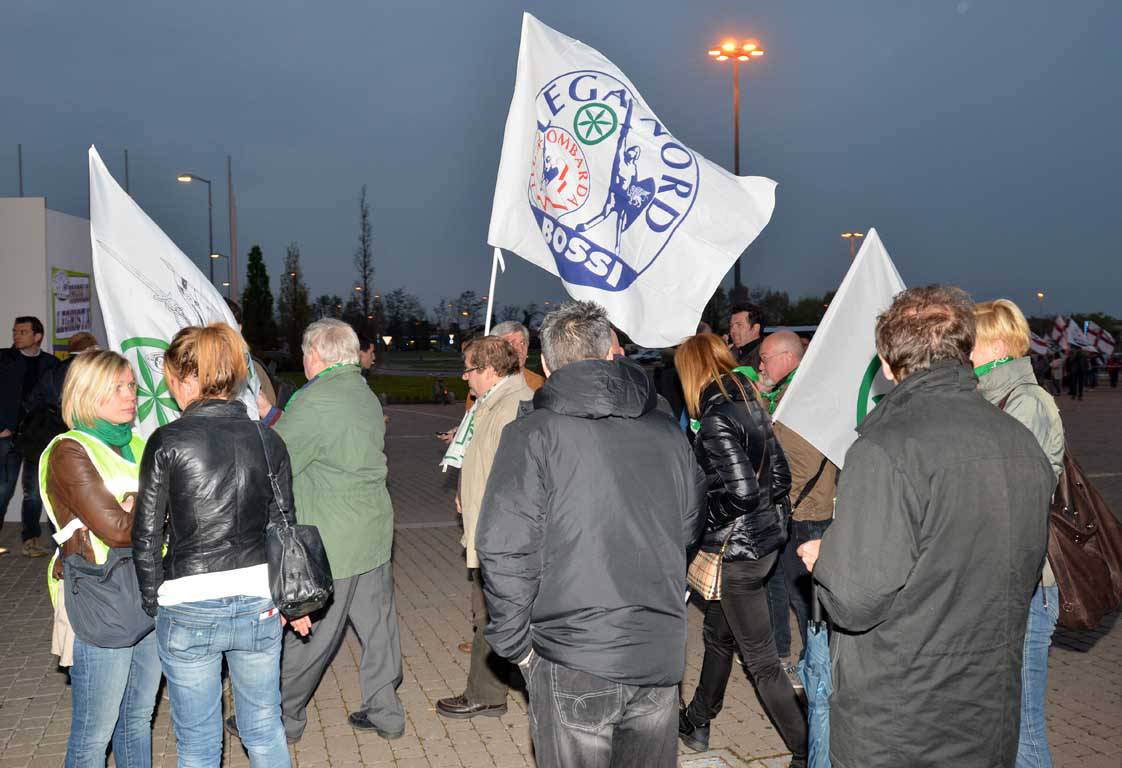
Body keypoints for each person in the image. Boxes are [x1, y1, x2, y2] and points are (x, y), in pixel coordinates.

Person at [798, 285, 1055, 768]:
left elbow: (855, 601)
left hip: (902, 720)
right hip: (986, 713)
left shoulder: (887, 449)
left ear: (888, 362)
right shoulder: (1021, 442)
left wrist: (828, 560)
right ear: (963, 349)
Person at [475, 301, 706, 768]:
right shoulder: (665, 430)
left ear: (545, 364)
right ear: (610, 354)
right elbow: (689, 528)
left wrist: (517, 647)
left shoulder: (532, 435)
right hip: (655, 654)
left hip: (572, 657)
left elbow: (502, 548)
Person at [132, 323, 303, 767]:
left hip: (188, 601)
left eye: (169, 375)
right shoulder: (268, 439)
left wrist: (155, 600)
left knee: (198, 744)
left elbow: (147, 534)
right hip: (259, 599)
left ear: (186, 377)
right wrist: (288, 600)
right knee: (264, 729)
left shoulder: (166, 441)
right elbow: (284, 525)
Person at [257, 319, 405, 742]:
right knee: (378, 628)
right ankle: (386, 711)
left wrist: (265, 421)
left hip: (332, 542)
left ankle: (282, 720)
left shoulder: (316, 399)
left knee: (312, 632)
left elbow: (278, 463)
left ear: (316, 355)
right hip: (373, 533)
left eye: (305, 352)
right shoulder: (363, 392)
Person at [675, 333, 807, 766]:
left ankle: (807, 749)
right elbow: (782, 478)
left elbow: (742, 492)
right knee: (717, 636)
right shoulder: (750, 403)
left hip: (737, 554)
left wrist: (703, 518)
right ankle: (697, 719)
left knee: (763, 663)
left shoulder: (715, 416)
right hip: (763, 543)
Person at [40, 349, 161, 767]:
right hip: (100, 599)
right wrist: (148, 505)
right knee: (95, 734)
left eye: (131, 386)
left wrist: (134, 503)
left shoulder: (140, 443)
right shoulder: (69, 452)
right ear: (88, 394)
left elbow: (174, 510)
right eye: (118, 388)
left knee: (137, 720)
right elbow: (117, 529)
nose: (131, 396)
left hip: (149, 591)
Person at [972, 299, 1064, 768]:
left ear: (1000, 345)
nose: (964, 351)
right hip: (1007, 584)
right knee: (1001, 725)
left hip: (1027, 586)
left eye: (974, 341)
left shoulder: (1026, 402)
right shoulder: (995, 401)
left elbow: (1008, 498)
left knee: (1023, 730)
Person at [437, 336, 533, 720]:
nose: (464, 377)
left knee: (498, 618)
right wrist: (465, 491)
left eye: (469, 369)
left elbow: (511, 479)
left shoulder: (511, 406)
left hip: (502, 538)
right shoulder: (489, 404)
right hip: (489, 530)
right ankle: (490, 693)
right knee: (491, 616)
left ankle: (489, 693)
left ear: (490, 371)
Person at [758, 330, 837, 683]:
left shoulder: (803, 398)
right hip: (797, 509)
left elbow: (802, 460)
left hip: (806, 514)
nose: (760, 366)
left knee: (808, 599)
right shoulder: (788, 394)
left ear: (788, 358)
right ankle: (807, 661)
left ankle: (819, 669)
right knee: (792, 591)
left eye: (765, 358)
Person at [0, 315, 61, 557]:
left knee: (34, 492)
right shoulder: (3, 359)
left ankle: (31, 540)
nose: (16, 335)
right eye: (15, 331)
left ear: (37, 336)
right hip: (7, 436)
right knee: (3, 490)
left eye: (23, 332)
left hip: (37, 437)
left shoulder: (51, 364)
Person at [728, 303, 766, 371]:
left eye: (739, 325)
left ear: (755, 328)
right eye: (731, 326)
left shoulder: (766, 356)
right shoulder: (729, 353)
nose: (732, 330)